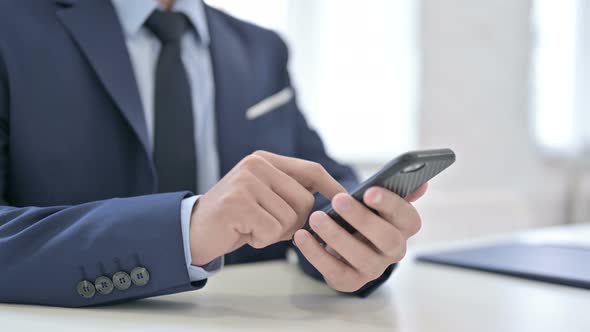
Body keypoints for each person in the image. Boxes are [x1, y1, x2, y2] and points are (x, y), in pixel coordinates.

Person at [0, 0, 426, 307]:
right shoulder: (12, 25)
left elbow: (323, 184)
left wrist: (354, 240)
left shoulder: (262, 49)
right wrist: (185, 231)